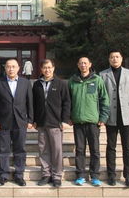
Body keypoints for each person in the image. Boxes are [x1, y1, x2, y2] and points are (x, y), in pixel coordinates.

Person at [100, 50, 129, 187]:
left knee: (127, 147)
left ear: (121, 59)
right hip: (110, 117)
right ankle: (111, 175)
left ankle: (128, 175)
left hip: (126, 116)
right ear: (109, 59)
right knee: (110, 147)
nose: (114, 59)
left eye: (117, 57)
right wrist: (102, 116)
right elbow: (101, 97)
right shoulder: (103, 75)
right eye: (112, 57)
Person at [0, 58, 34, 186]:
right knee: (3, 149)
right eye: (8, 67)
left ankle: (19, 175)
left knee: (20, 149)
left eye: (13, 66)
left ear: (18, 68)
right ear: (5, 69)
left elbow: (30, 103)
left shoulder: (26, 83)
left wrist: (30, 119)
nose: (11, 69)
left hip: (20, 121)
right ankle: (3, 175)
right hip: (3, 121)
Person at [68, 56, 109, 187]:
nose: (83, 65)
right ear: (78, 65)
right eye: (81, 63)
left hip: (93, 121)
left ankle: (95, 176)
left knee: (95, 150)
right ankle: (80, 175)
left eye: (85, 63)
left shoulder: (97, 80)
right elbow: (67, 101)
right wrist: (69, 116)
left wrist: (103, 118)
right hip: (78, 121)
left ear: (90, 64)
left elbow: (104, 100)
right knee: (80, 150)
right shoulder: (72, 81)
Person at [32, 59, 71, 188]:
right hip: (42, 123)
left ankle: (57, 176)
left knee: (57, 151)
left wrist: (65, 120)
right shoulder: (37, 84)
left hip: (56, 123)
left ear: (53, 68)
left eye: (49, 67)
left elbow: (67, 103)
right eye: (45, 68)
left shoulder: (61, 83)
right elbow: (34, 104)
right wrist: (34, 120)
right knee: (43, 150)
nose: (47, 70)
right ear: (41, 69)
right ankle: (46, 174)